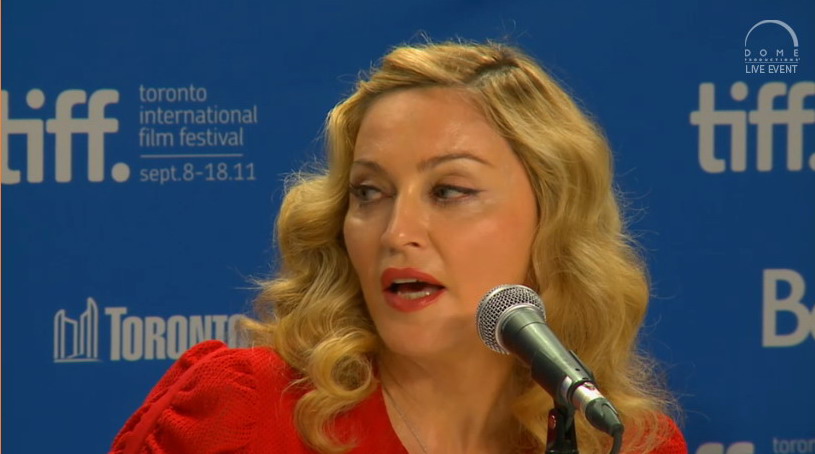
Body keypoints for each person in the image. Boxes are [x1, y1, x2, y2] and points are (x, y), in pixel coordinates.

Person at [110, 40, 687, 454]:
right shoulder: (244, 412)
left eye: (449, 191)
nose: (396, 231)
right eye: (369, 192)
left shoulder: (623, 440)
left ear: (552, 219)